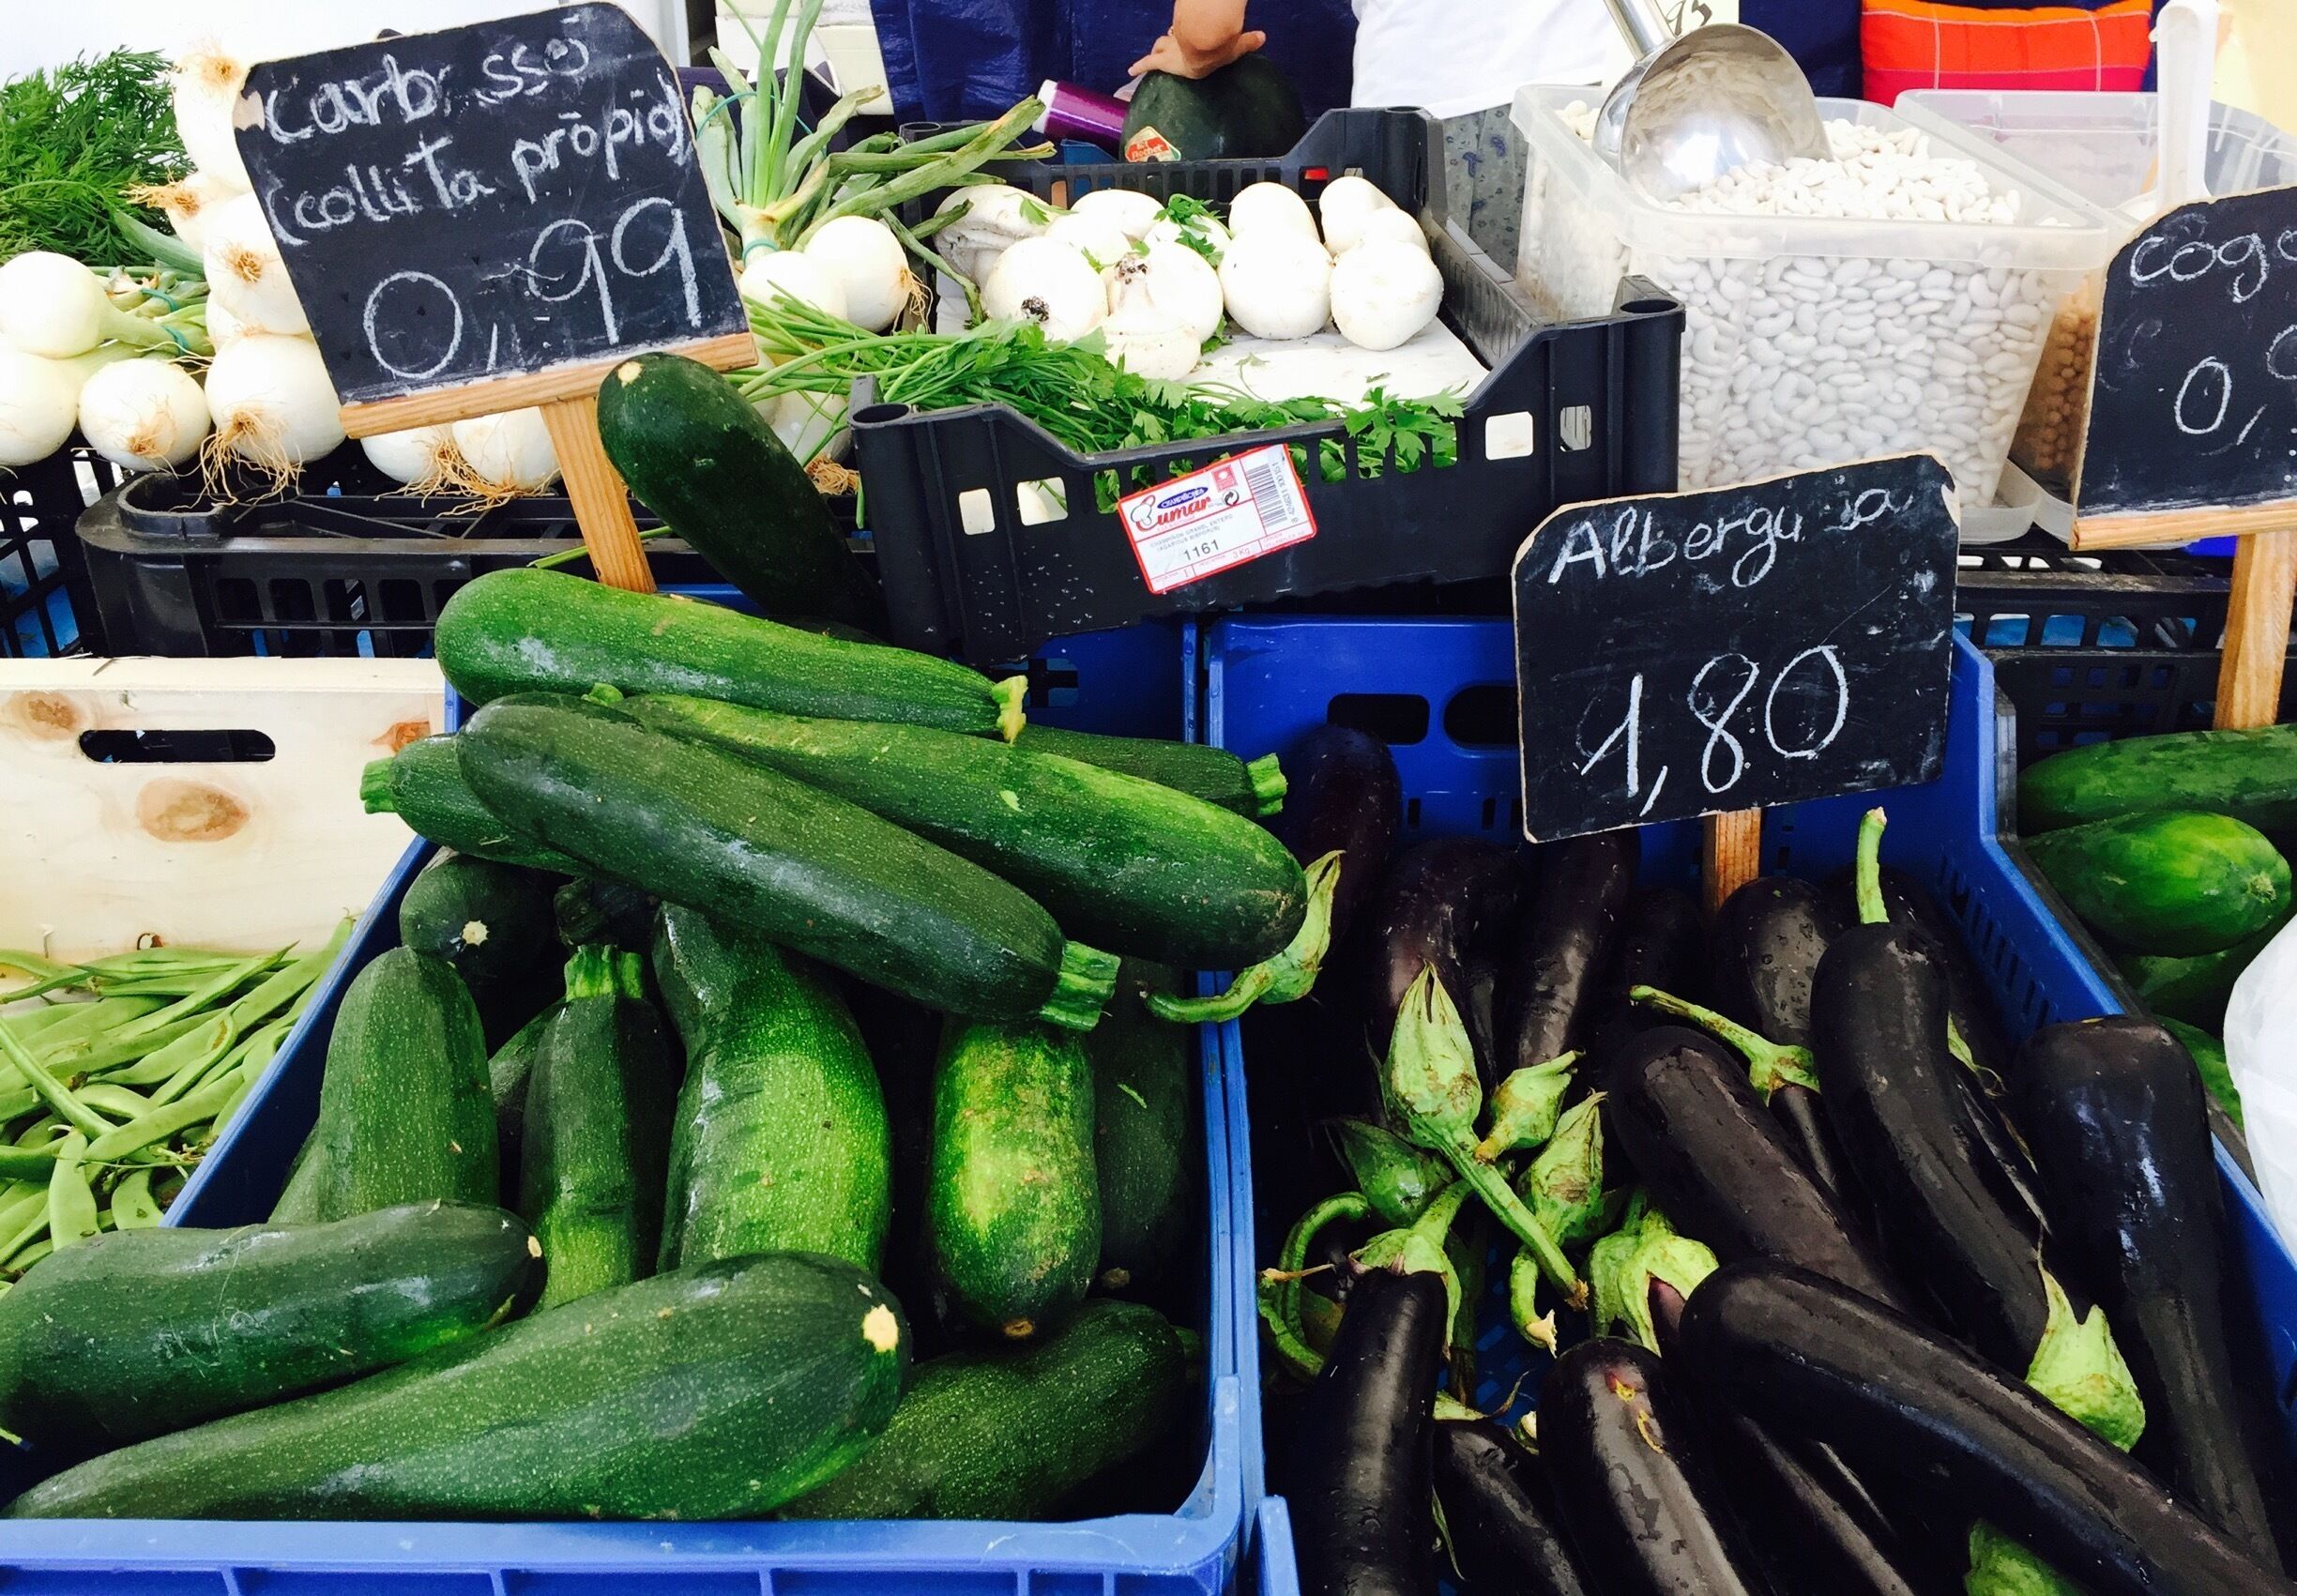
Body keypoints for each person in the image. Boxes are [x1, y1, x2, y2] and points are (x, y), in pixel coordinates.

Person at [1133, 0, 1633, 267]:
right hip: (1600, 107)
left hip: (1441, 121)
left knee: (1449, 386)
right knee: (1577, 381)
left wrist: (1195, 53)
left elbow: (1206, 29)